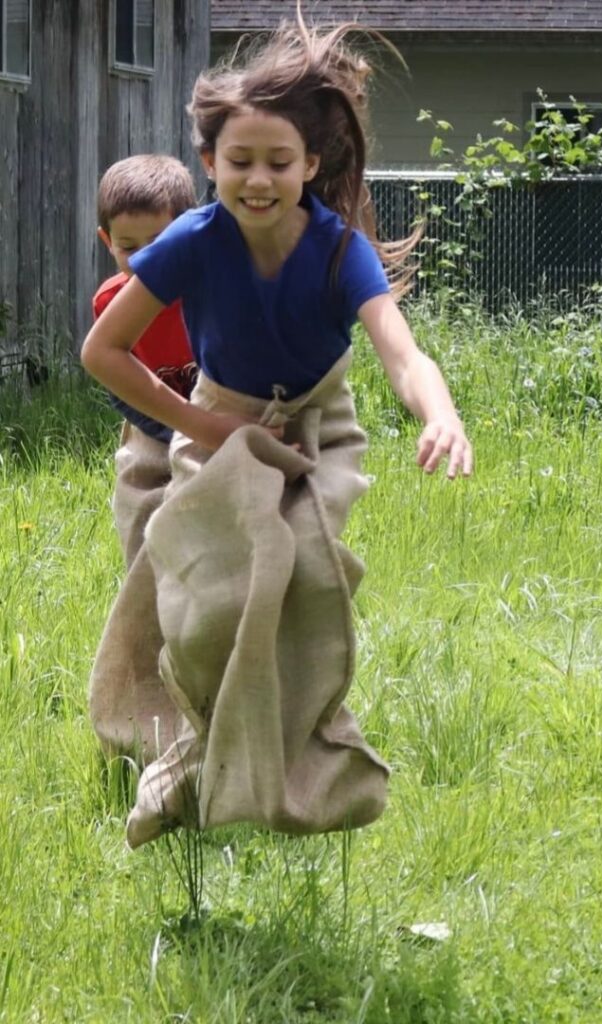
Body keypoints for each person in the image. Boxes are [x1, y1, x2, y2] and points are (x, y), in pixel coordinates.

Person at [81, 11, 471, 849]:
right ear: (210, 163)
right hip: (217, 418)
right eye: (240, 162)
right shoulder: (192, 240)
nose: (259, 180)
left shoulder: (338, 251)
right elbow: (103, 350)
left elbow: (401, 354)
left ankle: (319, 758)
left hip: (319, 426)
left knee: (306, 582)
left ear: (312, 164)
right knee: (205, 609)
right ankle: (191, 757)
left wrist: (439, 414)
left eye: (278, 163)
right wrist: (201, 423)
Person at [94, 154, 198, 566]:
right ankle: (146, 589)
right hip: (149, 418)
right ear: (107, 241)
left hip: (222, 412)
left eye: (158, 244)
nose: (144, 260)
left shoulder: (211, 291)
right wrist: (175, 428)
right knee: (140, 492)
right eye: (128, 247)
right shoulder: (111, 302)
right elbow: (119, 382)